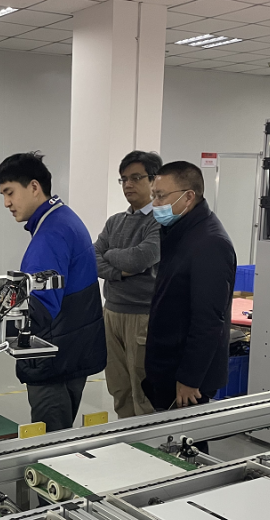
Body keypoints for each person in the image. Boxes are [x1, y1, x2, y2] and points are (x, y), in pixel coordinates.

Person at [0, 152, 106, 432]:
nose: (6, 203)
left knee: (51, 443)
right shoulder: (65, 218)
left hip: (54, 361)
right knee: (62, 435)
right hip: (73, 351)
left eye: (10, 192)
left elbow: (39, 310)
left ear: (34, 187)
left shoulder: (50, 235)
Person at [143, 160, 236, 416]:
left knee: (183, 438)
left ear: (188, 197)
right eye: (154, 196)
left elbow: (208, 320)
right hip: (167, 364)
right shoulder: (179, 231)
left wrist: (190, 378)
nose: (155, 204)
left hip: (186, 378)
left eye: (161, 196)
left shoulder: (210, 243)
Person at [95, 150, 163, 419]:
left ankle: (147, 440)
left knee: (142, 387)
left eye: (136, 178)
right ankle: (125, 435)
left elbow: (140, 259)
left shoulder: (160, 221)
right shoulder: (115, 222)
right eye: (123, 179)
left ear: (153, 180)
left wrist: (110, 254)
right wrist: (120, 271)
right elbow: (92, 258)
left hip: (142, 315)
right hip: (111, 312)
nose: (128, 185)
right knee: (118, 385)